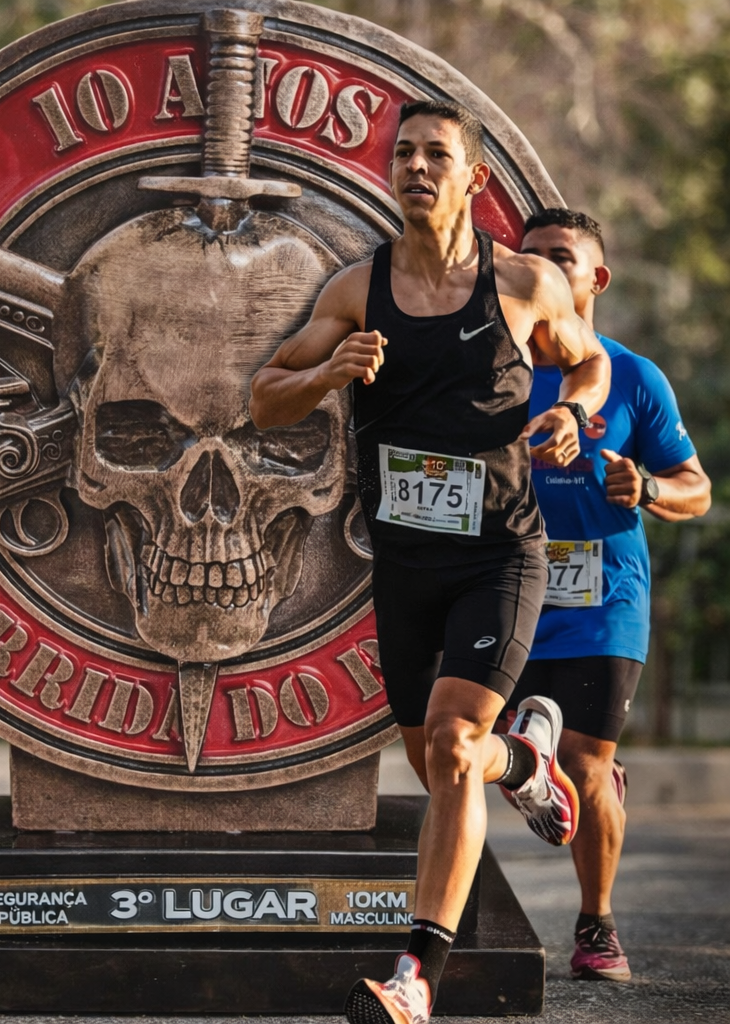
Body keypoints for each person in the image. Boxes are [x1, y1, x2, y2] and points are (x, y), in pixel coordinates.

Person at [250, 99, 610, 1024]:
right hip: (405, 567)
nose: (415, 167)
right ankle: (523, 759)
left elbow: (587, 362)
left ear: (474, 177)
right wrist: (328, 376)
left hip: (501, 553)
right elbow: (265, 399)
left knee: (451, 749)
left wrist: (571, 413)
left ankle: (416, 978)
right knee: (441, 762)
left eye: (436, 155)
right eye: (403, 153)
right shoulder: (354, 291)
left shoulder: (525, 283)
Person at [506, 208, 711, 982]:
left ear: (597, 278)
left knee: (586, 764)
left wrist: (648, 485)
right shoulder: (497, 370)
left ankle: (596, 926)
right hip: (509, 588)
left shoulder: (633, 376)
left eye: (562, 258)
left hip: (604, 597)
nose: (545, 272)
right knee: (504, 756)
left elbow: (698, 490)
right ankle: (571, 778)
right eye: (530, 259)